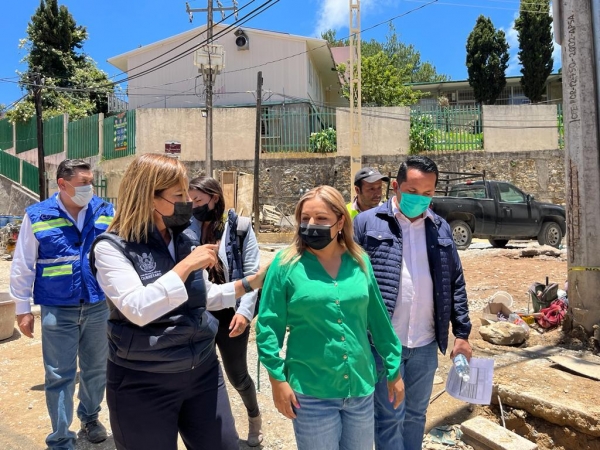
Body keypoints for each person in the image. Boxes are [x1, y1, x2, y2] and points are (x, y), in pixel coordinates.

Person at [90, 154, 267, 450]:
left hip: (202, 370)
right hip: (143, 380)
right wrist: (185, 266)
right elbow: (138, 308)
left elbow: (203, 295)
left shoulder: (182, 239)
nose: (188, 202)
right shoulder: (111, 248)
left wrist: (252, 282)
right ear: (148, 197)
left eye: (188, 193)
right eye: (179, 195)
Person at [256, 185, 405, 450]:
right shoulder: (284, 264)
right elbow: (269, 325)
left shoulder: (360, 262)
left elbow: (379, 321)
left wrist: (393, 368)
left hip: (360, 388)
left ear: (340, 222)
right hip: (311, 392)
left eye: (321, 218)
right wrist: (277, 379)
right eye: (305, 219)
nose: (311, 224)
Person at [353, 155, 472, 450]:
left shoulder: (440, 228)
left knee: (416, 415)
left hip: (425, 345)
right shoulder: (367, 224)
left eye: (428, 193)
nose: (421, 199)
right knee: (389, 417)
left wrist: (462, 334)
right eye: (413, 192)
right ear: (396, 187)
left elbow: (454, 282)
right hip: (383, 346)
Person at [10, 159, 114, 450]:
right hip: (57, 307)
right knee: (59, 374)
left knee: (95, 369)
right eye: (83, 183)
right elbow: (23, 265)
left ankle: (90, 417)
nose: (89, 188)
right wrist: (22, 309)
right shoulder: (38, 215)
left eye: (90, 182)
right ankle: (60, 438)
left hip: (98, 305)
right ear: (62, 183)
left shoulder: (105, 211)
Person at [188, 176, 263, 447]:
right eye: (190, 200)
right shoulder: (187, 229)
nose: (193, 205)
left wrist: (244, 314)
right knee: (203, 374)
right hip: (202, 313)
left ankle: (254, 416)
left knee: (237, 375)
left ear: (214, 197)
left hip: (232, 314)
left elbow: (253, 274)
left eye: (198, 200)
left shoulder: (240, 227)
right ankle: (212, 428)